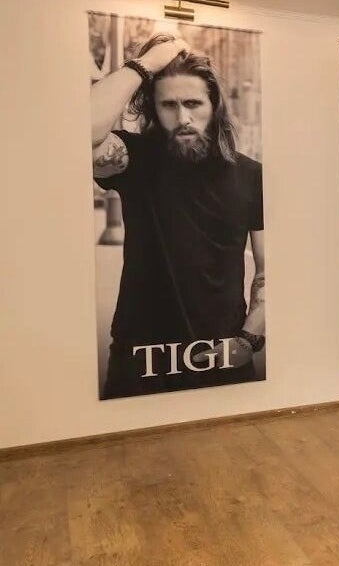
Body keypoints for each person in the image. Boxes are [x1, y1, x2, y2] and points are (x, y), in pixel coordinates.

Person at [91, 33, 265, 398]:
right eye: (169, 105)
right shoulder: (135, 159)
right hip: (141, 359)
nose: (183, 118)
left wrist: (249, 340)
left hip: (223, 357)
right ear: (154, 109)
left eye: (193, 103)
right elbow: (80, 130)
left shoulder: (251, 175)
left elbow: (270, 269)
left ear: (214, 105)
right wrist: (148, 63)